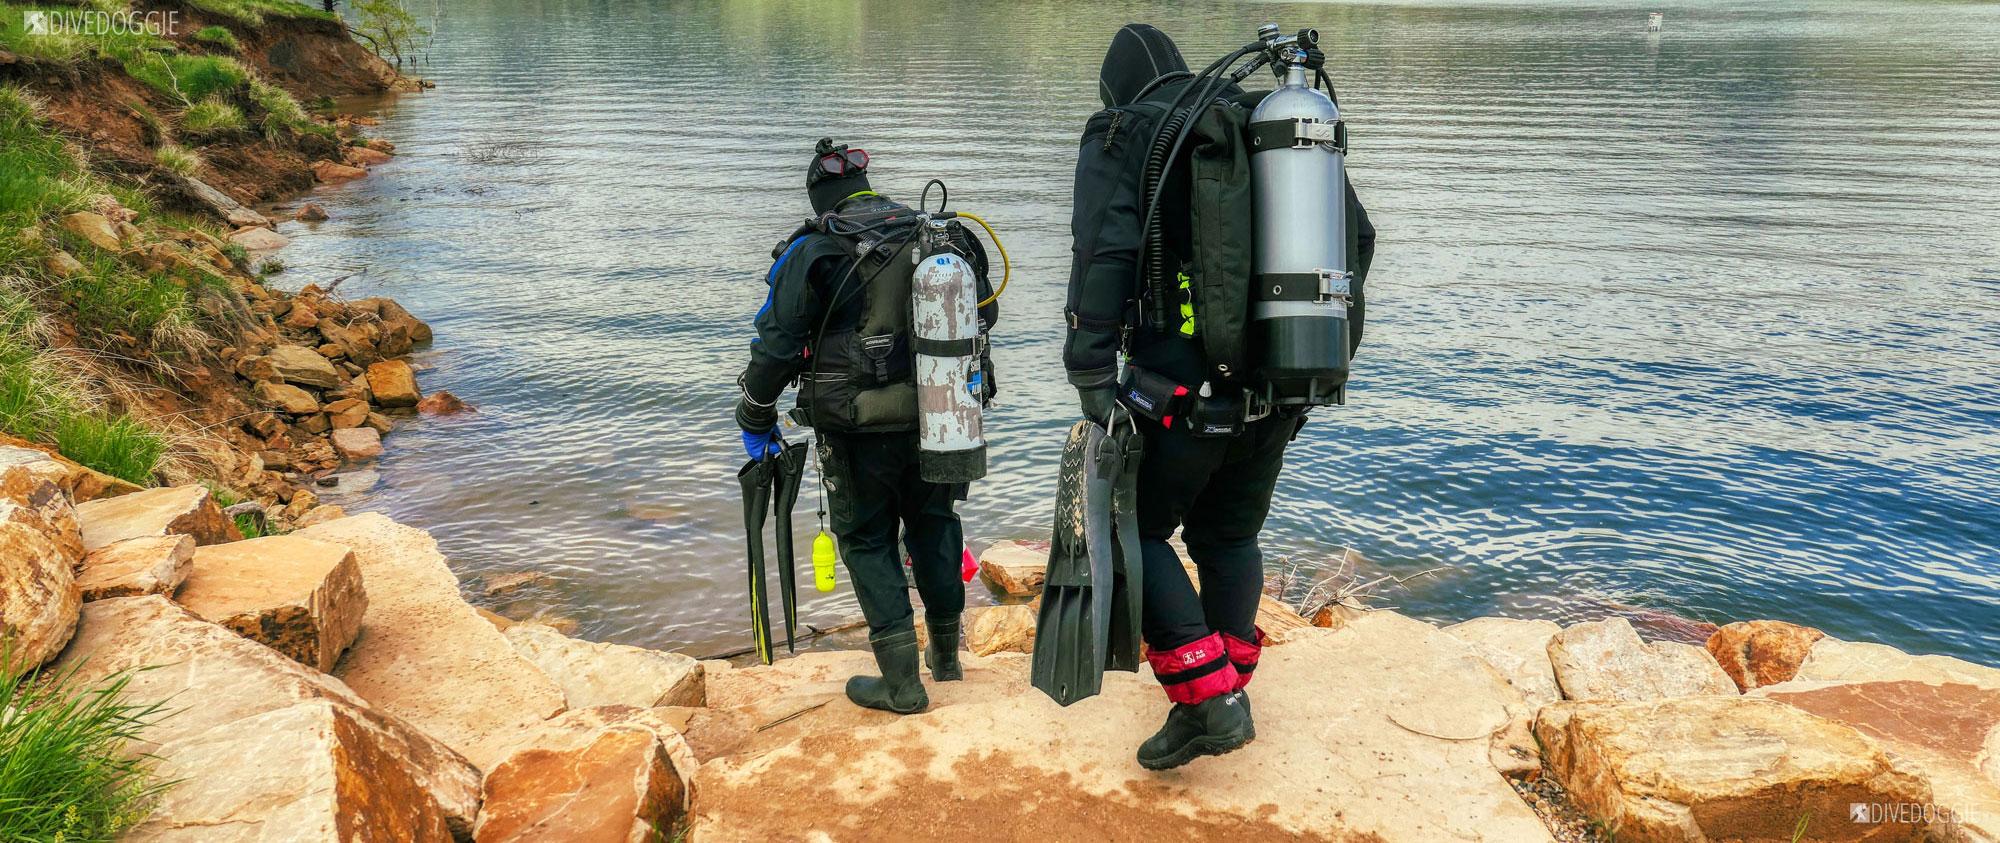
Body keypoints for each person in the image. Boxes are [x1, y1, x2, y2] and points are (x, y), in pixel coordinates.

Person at [1064, 24, 1377, 768]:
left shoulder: (1130, 130)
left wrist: (1090, 370)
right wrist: (1314, 364)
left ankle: (1209, 703)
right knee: (1228, 537)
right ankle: (1229, 683)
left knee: (1131, 530)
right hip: (1280, 382)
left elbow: (1103, 251)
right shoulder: (1266, 122)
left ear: (1118, 87)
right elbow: (1357, 238)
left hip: (1181, 394)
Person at [734, 139, 998, 714]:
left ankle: (902, 686)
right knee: (934, 523)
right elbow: (987, 314)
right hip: (943, 416)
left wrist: (753, 412)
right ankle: (946, 660)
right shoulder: (938, 237)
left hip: (857, 431)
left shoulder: (813, 250)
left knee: (867, 539)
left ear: (820, 197)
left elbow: (776, 347)